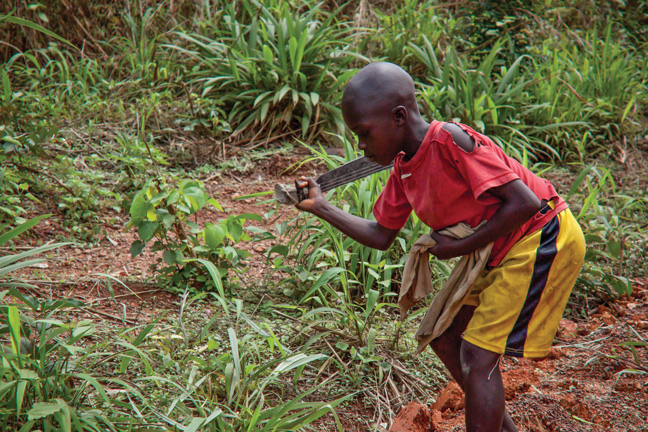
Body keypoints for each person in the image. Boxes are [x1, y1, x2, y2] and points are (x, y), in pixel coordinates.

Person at [294, 62, 586, 432]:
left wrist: (459, 246)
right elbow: (382, 235)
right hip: (501, 249)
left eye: (364, 132)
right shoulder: (403, 168)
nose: (361, 145)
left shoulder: (451, 140)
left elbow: (524, 202)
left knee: (478, 356)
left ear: (399, 117)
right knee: (447, 336)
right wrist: (320, 206)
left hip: (543, 235)